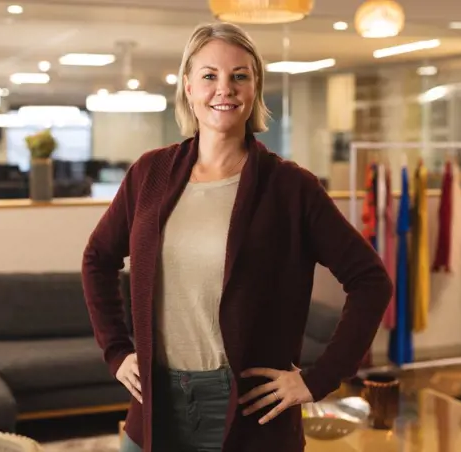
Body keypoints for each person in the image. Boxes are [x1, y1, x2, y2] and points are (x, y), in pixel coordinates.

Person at [82, 22, 393, 452]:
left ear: (255, 88)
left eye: (239, 76)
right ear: (188, 87)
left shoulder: (290, 186)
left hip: (249, 416)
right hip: (154, 409)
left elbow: (371, 281)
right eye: (209, 76)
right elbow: (97, 258)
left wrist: (320, 378)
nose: (224, 89)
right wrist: (116, 351)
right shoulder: (149, 174)